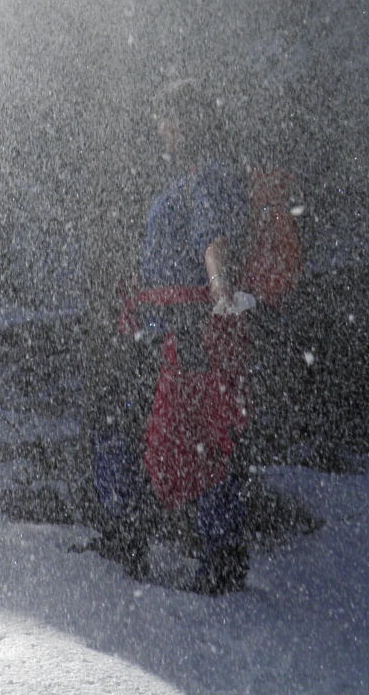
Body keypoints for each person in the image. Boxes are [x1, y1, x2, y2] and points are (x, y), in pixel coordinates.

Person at [90, 79, 255, 595]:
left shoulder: (209, 177)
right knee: (193, 430)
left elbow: (213, 238)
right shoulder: (200, 176)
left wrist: (220, 287)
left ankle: (192, 550)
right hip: (171, 327)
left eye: (167, 119)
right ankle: (196, 547)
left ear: (186, 123)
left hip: (188, 330)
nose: (161, 129)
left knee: (188, 431)